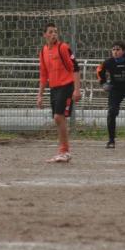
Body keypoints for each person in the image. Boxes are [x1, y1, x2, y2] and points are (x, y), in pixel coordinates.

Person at [37, 22, 81, 163]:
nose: (54, 34)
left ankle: (64, 151)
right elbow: (43, 75)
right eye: (50, 32)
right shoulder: (43, 51)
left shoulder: (63, 47)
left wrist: (77, 89)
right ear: (44, 35)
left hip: (66, 86)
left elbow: (75, 68)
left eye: (55, 31)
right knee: (58, 118)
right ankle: (63, 151)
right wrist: (40, 95)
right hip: (54, 88)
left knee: (58, 117)